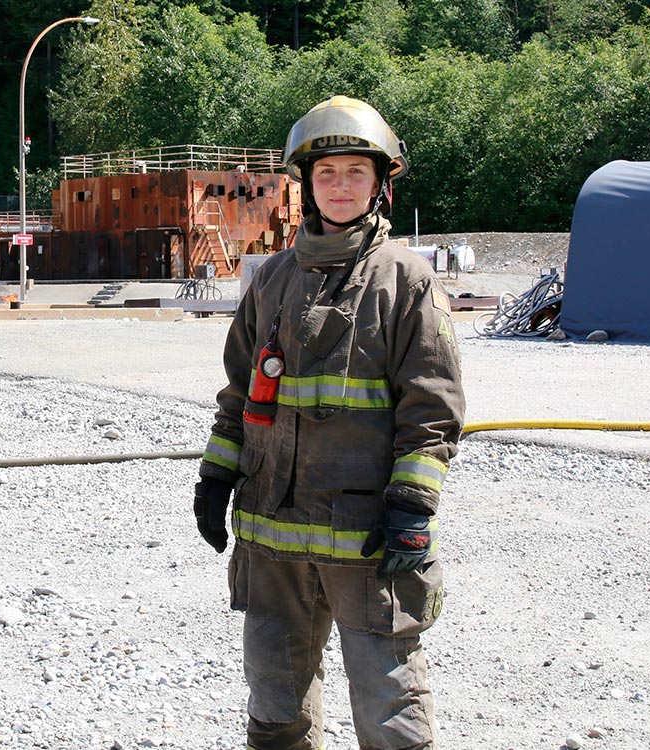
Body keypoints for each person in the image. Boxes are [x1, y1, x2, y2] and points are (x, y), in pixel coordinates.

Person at [193, 95, 465, 750]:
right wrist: (215, 476)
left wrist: (411, 504)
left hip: (367, 540)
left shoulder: (407, 282)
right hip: (272, 534)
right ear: (307, 188)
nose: (340, 186)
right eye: (327, 174)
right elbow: (239, 393)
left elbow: (432, 406)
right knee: (275, 702)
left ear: (380, 185)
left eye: (355, 173)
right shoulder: (273, 282)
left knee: (389, 703)